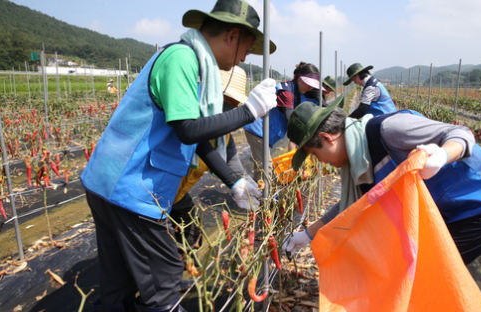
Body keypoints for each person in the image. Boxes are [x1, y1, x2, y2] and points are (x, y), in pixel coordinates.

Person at [80, 1, 276, 311]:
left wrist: (233, 180)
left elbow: (197, 139)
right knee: (164, 281)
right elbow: (188, 129)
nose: (242, 58)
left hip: (114, 184)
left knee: (120, 284)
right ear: (232, 36)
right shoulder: (181, 58)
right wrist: (249, 112)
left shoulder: (196, 67)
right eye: (246, 50)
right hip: (131, 187)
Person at [282, 97, 481, 265]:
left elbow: (461, 134)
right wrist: (308, 234)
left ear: (327, 138)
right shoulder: (359, 163)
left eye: (315, 154)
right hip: (452, 209)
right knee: (410, 267)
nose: (320, 162)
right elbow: (352, 206)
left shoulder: (389, 131)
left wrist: (442, 155)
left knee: (426, 272)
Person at [170, 65, 252, 249]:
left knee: (190, 237)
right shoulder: (187, 120)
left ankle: (187, 260)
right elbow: (198, 142)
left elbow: (233, 165)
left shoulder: (223, 135)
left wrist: (247, 187)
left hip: (176, 194)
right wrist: (233, 181)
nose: (228, 107)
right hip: (153, 193)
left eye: (233, 103)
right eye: (225, 99)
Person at [243, 62, 326, 181]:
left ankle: (260, 192)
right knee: (266, 167)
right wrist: (304, 140)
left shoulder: (297, 91)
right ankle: (263, 197)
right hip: (257, 130)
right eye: (309, 84)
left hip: (265, 132)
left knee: (262, 166)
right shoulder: (286, 92)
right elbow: (290, 118)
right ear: (300, 79)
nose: (310, 88)